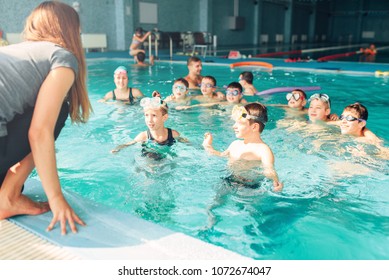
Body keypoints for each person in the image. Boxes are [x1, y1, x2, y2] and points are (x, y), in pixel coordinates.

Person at [0, 1, 92, 234]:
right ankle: (8, 197)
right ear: (70, 30)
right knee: (59, 110)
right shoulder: (61, 56)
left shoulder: (14, 51)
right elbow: (39, 132)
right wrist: (56, 198)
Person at [202, 103, 283, 191]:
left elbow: (269, 170)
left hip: (249, 187)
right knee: (215, 203)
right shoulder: (235, 144)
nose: (234, 126)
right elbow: (220, 156)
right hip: (228, 180)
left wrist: (276, 183)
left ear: (254, 127)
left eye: (239, 123)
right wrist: (207, 145)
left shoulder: (263, 150)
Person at [111, 97, 181, 153]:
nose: (149, 120)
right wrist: (118, 148)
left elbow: (186, 143)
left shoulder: (173, 134)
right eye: (146, 115)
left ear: (164, 117)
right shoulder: (143, 136)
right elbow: (128, 144)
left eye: (154, 115)